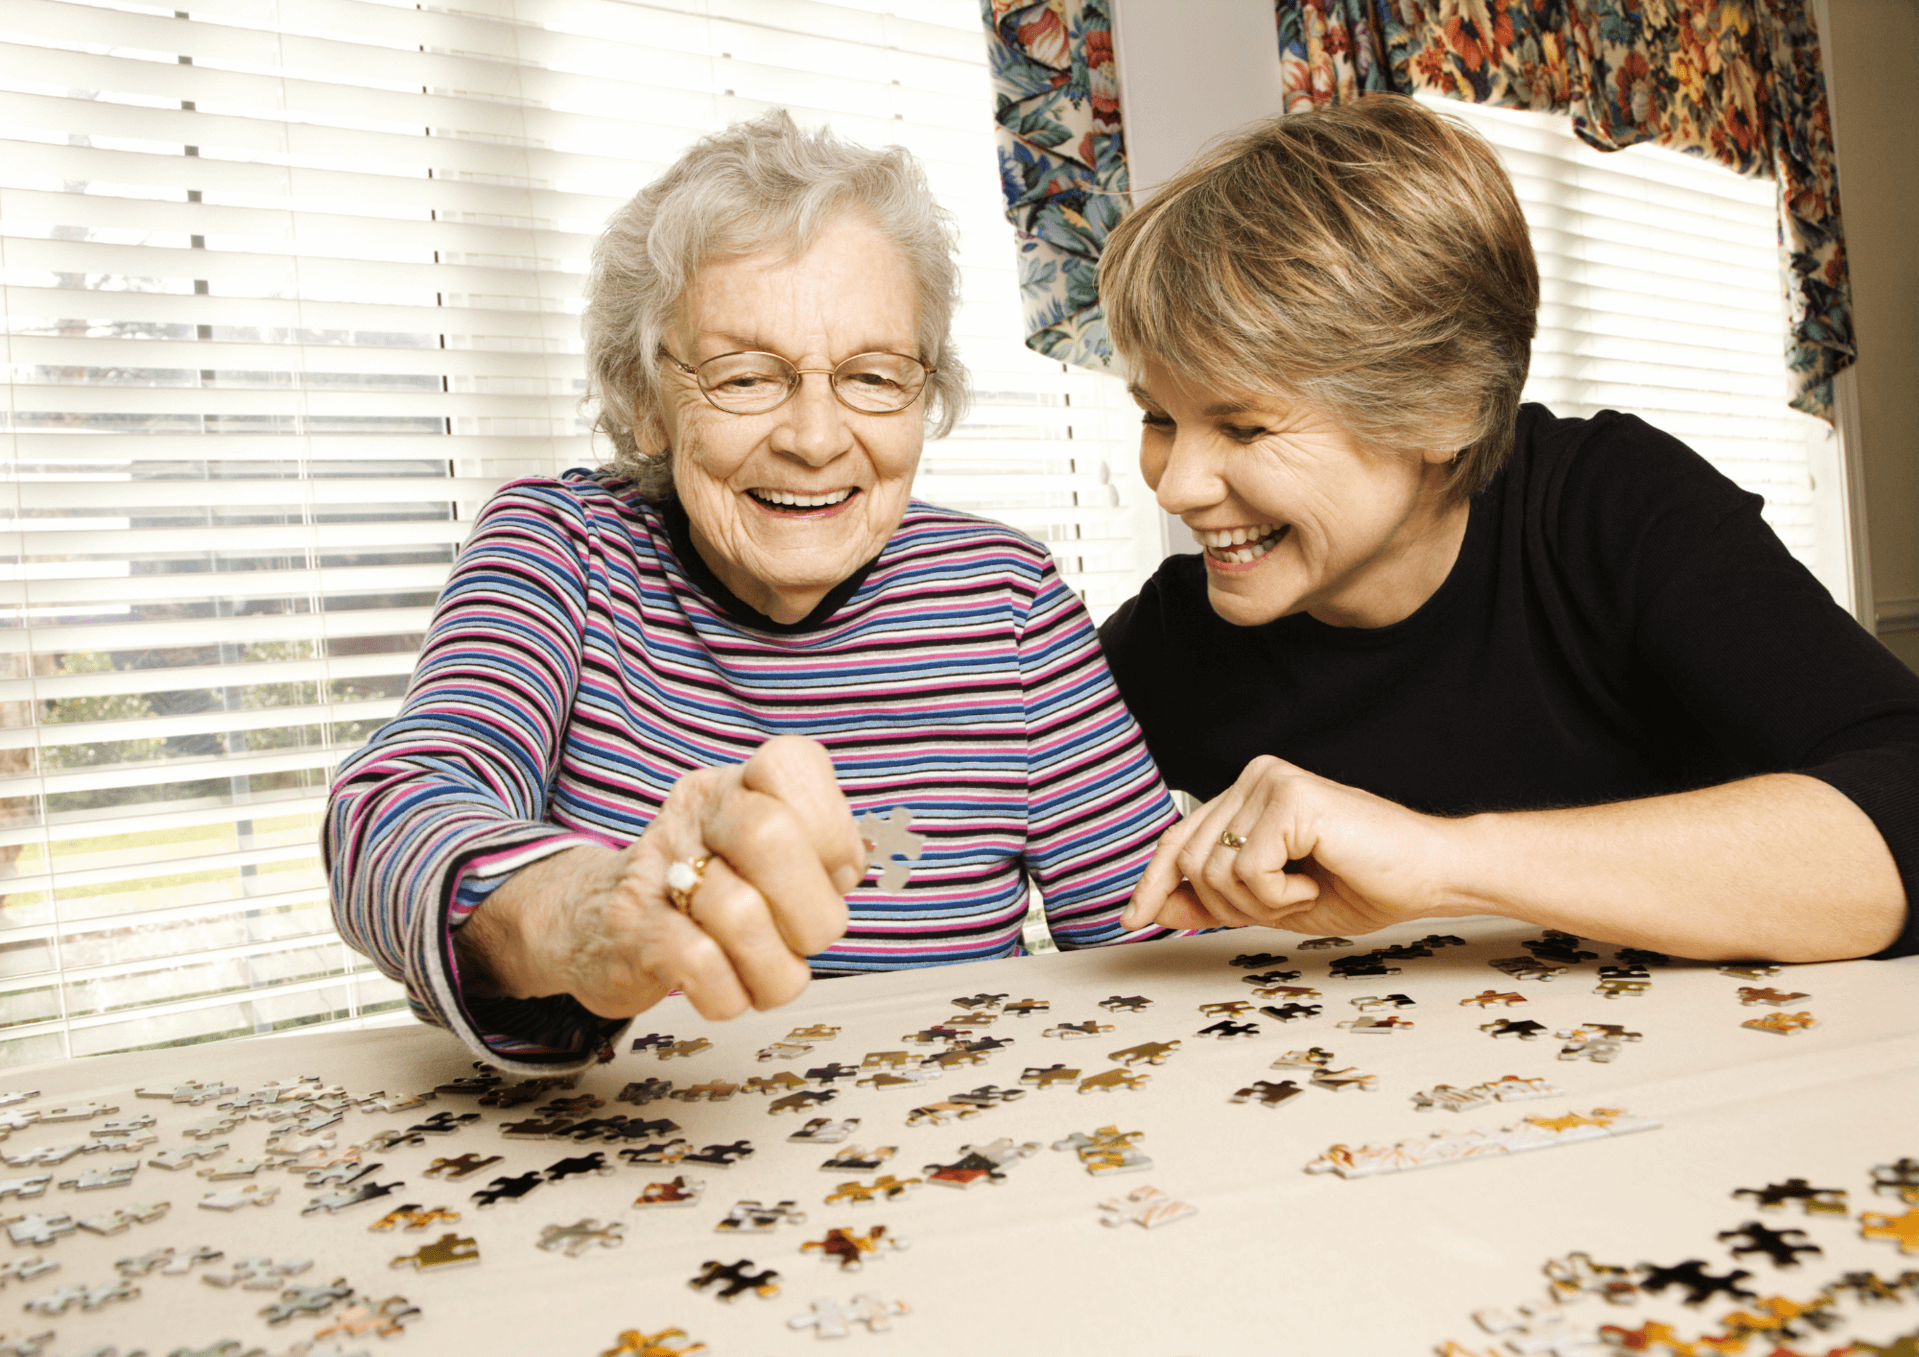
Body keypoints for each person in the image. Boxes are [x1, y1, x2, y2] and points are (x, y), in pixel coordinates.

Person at [325, 111, 1177, 1069]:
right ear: (645, 399)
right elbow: (391, 812)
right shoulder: (561, 550)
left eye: (871, 375)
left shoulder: (1007, 600)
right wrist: (588, 912)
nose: (815, 438)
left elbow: (1156, 943)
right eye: (744, 377)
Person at [1097, 93, 1918, 964]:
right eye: (1157, 417)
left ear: (1442, 406)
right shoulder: (1174, 635)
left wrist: (1441, 860)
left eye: (1245, 427)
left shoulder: (1612, 506)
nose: (1177, 486)